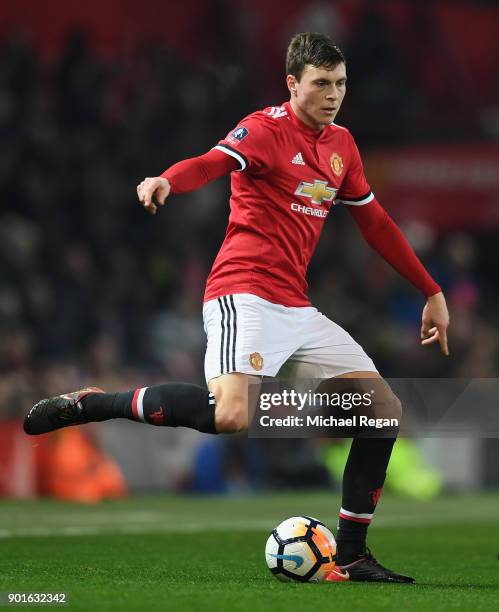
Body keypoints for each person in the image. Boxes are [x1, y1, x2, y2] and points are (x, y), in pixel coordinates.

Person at [24, 32, 449, 583]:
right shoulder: (265, 129)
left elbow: (376, 224)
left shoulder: (343, 144)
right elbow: (209, 162)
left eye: (340, 84)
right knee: (230, 416)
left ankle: (351, 555)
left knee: (381, 412)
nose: (333, 94)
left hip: (297, 307)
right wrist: (165, 181)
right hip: (242, 294)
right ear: (293, 83)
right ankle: (92, 404)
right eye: (321, 83)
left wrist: (431, 290)